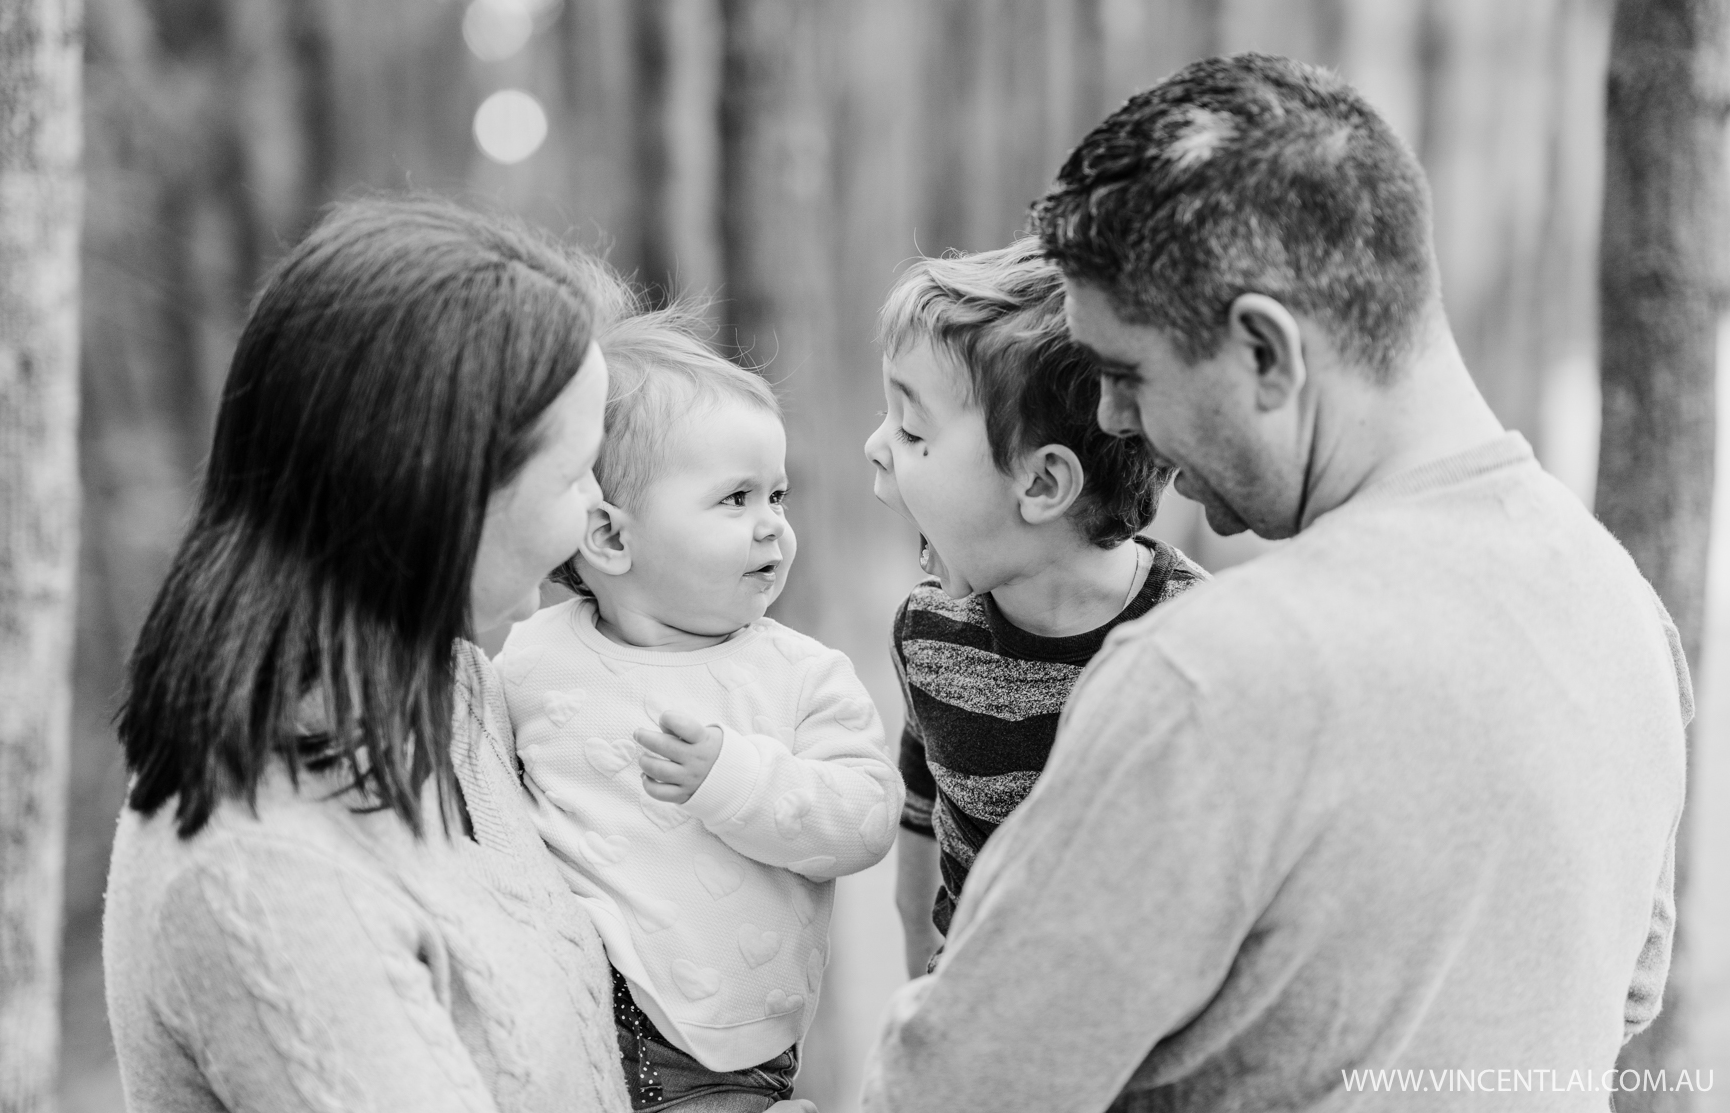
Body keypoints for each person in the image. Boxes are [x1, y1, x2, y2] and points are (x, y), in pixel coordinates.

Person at [863, 54, 1690, 1112]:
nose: (1113, 421)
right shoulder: (1621, 611)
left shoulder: (1207, 678)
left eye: (1128, 376)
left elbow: (956, 1091)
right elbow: (1621, 995)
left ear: (1264, 350)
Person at [102, 197, 818, 1113]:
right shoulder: (266, 877)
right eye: (574, 476)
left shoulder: (457, 692)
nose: (595, 516)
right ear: (445, 493)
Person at [497, 309, 903, 1111]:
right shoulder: (531, 661)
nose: (774, 527)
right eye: (736, 498)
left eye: (778, 495)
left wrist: (738, 781)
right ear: (611, 539)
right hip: (564, 1019)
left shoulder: (797, 675)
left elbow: (865, 818)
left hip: (712, 1059)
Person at [862, 239, 1206, 978]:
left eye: (913, 431)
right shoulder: (928, 633)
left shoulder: (1200, 649)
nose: (876, 447)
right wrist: (922, 975)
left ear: (1043, 483)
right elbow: (924, 800)